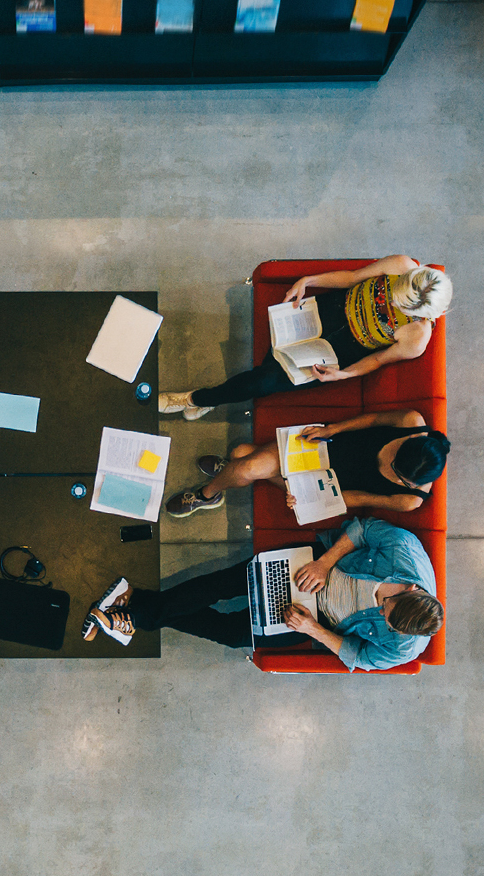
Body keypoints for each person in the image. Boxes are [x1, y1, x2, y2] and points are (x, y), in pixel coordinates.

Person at [82, 517, 443, 672]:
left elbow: (360, 658)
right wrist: (324, 564)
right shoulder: (405, 552)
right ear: (411, 588)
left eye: (387, 623)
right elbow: (363, 529)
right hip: (314, 564)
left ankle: (134, 605)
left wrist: (312, 630)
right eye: (386, 606)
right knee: (223, 586)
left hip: (317, 620)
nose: (380, 614)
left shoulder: (404, 645)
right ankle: (135, 614)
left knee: (234, 633)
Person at [159, 256, 452, 420]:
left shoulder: (417, 336)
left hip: (344, 348)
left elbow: (377, 359)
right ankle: (222, 393)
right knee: (269, 363)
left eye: (400, 305)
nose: (391, 301)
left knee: (264, 382)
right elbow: (352, 278)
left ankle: (196, 398)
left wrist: (342, 375)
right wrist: (308, 281)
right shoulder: (401, 266)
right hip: (332, 309)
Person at [165, 409, 450, 515]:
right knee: (243, 459)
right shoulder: (411, 423)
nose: (391, 467)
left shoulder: (409, 499)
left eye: (398, 475)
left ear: (414, 483)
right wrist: (332, 429)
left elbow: (360, 498)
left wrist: (307, 498)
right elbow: (372, 419)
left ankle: (209, 493)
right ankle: (216, 487)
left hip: (322, 484)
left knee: (242, 459)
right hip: (321, 448)